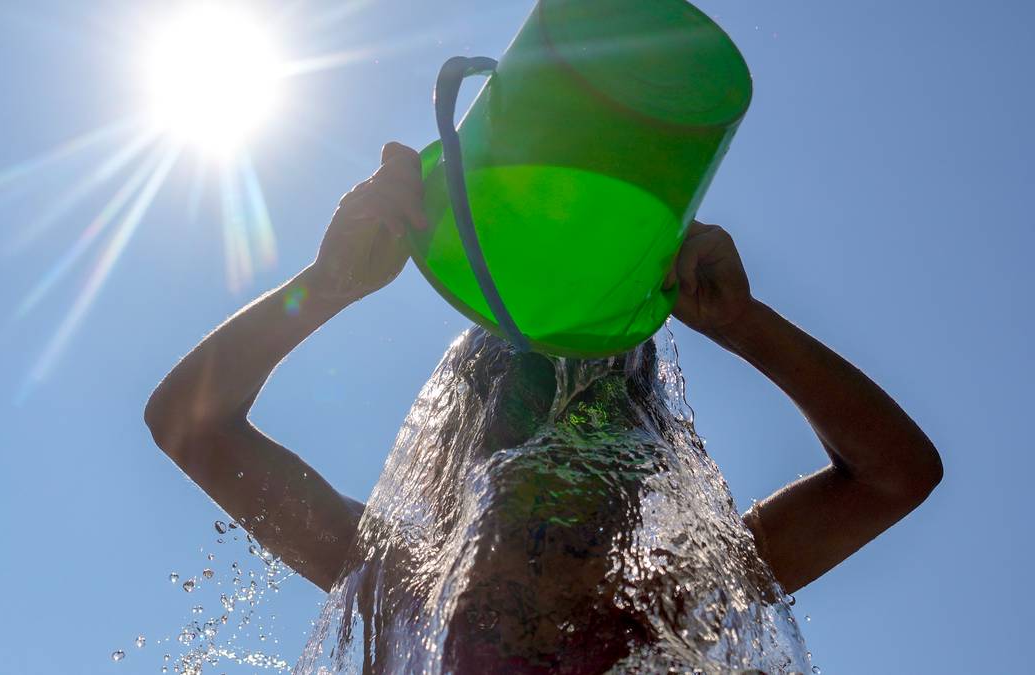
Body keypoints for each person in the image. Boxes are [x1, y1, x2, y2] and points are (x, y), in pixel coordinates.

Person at [143, 143, 942, 673]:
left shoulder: (679, 593)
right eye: (528, 406)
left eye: (603, 412)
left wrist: (746, 324)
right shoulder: (401, 580)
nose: (561, 439)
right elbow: (189, 423)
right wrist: (327, 284)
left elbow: (896, 475)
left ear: (650, 462)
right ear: (464, 445)